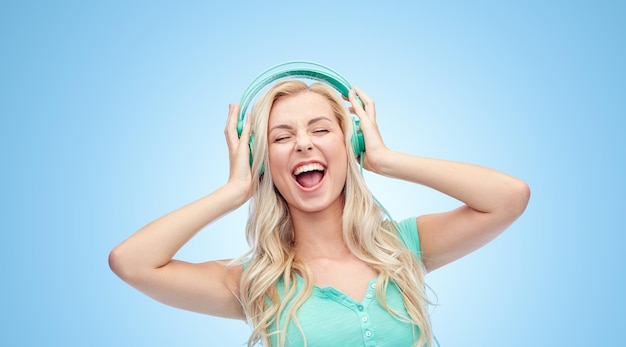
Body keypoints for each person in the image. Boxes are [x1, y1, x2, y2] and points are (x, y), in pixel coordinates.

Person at [109, 80, 530, 346]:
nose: (303, 144)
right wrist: (235, 190)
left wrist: (385, 160)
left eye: (321, 129)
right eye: (281, 136)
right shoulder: (258, 282)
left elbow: (509, 197)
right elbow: (131, 262)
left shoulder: (402, 249)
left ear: (351, 147)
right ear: (263, 161)